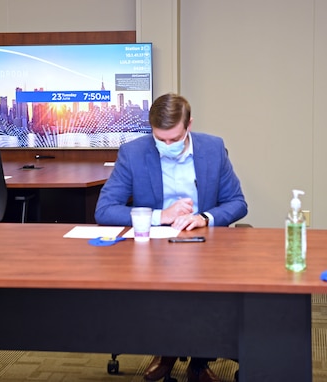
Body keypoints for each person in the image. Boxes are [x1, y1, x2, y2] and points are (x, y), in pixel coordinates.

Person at [95, 93, 248, 382]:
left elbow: (237, 203)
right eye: (159, 139)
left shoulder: (213, 148)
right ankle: (165, 349)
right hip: (156, 248)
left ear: (189, 125)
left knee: (207, 291)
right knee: (160, 291)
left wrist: (204, 218)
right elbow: (104, 210)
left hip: (205, 245)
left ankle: (200, 362)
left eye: (173, 139)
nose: (166, 146)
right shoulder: (134, 153)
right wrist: (159, 216)